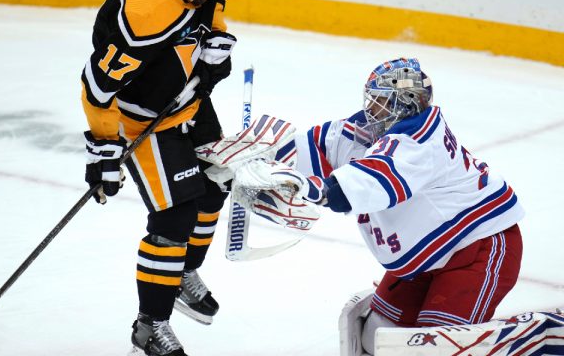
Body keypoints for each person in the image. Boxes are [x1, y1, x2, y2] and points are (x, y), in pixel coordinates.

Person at [225, 57, 525, 355]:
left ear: (403, 105)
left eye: (380, 101)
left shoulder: (419, 142)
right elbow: (317, 145)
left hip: (478, 248)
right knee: (375, 336)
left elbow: (367, 183)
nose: (371, 109)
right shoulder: (370, 128)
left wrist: (311, 188)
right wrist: (257, 158)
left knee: (434, 348)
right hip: (426, 254)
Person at [80, 0, 236, 355]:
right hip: (144, 117)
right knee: (175, 218)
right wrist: (104, 148)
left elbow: (209, 0)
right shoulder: (143, 18)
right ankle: (149, 326)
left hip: (185, 98)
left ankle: (181, 273)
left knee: (216, 184)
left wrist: (213, 42)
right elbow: (97, 89)